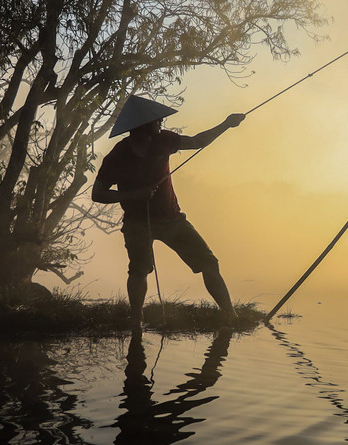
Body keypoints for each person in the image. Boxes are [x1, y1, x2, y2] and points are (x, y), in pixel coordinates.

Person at [93, 95, 244, 327]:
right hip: (137, 223)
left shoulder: (164, 140)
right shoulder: (118, 156)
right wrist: (134, 195)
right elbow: (98, 194)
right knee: (138, 270)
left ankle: (230, 315)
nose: (160, 123)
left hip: (172, 219)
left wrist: (226, 124)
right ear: (142, 126)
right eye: (156, 121)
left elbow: (196, 141)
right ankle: (136, 320)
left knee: (209, 263)